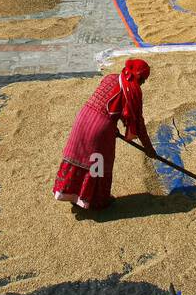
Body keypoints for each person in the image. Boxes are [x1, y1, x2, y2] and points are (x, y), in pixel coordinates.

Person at [53, 59, 154, 212]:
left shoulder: (110, 77)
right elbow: (137, 122)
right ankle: (94, 201)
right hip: (100, 131)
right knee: (97, 164)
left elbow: (109, 103)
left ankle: (74, 195)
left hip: (83, 118)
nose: (142, 84)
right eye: (143, 80)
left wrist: (114, 125)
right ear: (138, 77)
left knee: (78, 157)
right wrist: (149, 148)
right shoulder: (133, 91)